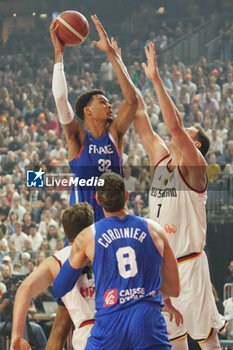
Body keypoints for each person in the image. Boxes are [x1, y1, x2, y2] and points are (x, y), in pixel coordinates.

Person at [133, 43, 226, 350]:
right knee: (173, 343)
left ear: (196, 146)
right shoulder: (161, 162)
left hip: (189, 264)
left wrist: (157, 80)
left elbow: (172, 126)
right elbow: (139, 113)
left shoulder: (197, 168)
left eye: (189, 133)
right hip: (161, 267)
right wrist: (115, 58)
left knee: (208, 342)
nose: (181, 132)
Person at [53, 173, 180, 350]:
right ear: (126, 195)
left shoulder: (88, 236)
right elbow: (174, 289)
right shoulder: (155, 230)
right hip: (147, 320)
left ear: (97, 200)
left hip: (109, 322)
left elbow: (59, 287)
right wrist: (142, 290)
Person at [50, 14, 138, 222]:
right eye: (102, 102)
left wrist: (112, 54)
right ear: (87, 111)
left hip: (114, 226)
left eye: (108, 102)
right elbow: (61, 98)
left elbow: (132, 100)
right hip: (84, 227)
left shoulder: (115, 134)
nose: (109, 105)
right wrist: (58, 54)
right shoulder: (78, 137)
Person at [10, 202, 95, 350]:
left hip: (88, 334)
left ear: (65, 232)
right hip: (120, 327)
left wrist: (17, 336)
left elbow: (24, 288)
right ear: (91, 227)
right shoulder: (108, 246)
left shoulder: (56, 261)